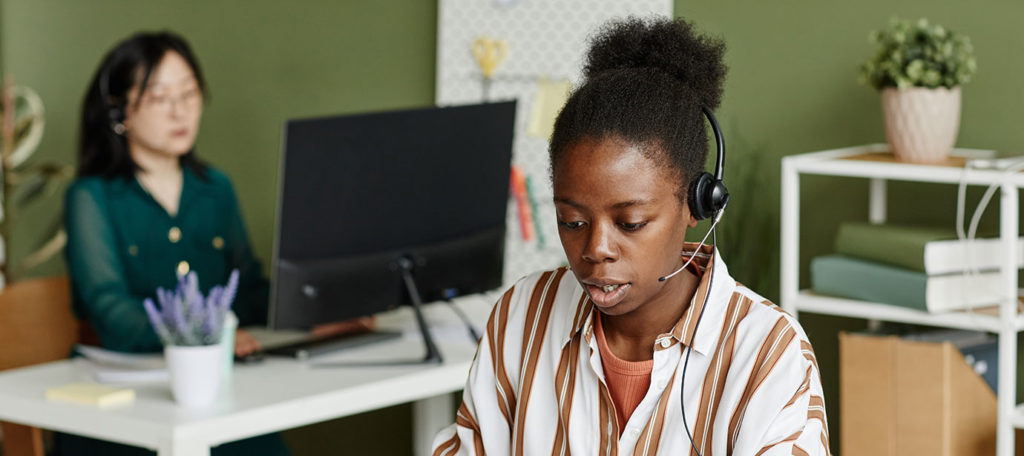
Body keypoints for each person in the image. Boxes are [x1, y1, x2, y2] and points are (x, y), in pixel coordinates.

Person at [432, 17, 830, 455]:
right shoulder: (522, 317)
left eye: (631, 223)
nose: (596, 250)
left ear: (695, 205)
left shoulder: (769, 354)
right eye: (572, 221)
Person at [60, 31, 296, 456]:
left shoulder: (214, 188)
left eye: (189, 93)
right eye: (160, 97)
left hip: (219, 392)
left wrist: (312, 315)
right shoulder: (92, 197)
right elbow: (112, 310)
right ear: (120, 112)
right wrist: (201, 335)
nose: (180, 110)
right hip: (128, 405)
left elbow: (250, 290)